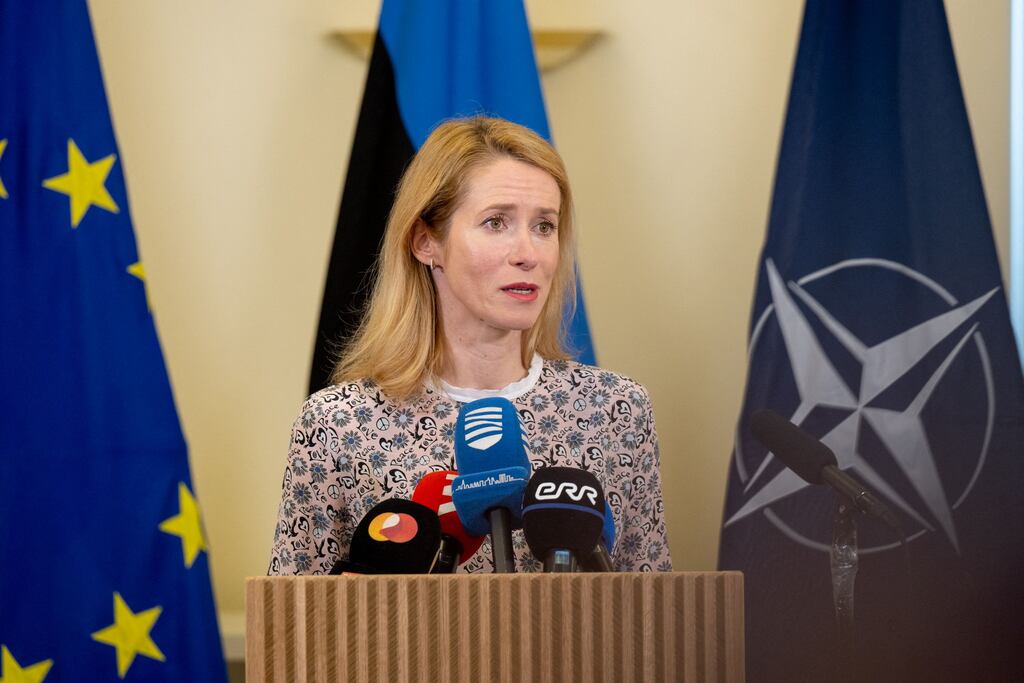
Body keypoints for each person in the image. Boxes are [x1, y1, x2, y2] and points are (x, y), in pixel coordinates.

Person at [268, 116, 671, 575]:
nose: (528, 253)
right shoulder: (338, 424)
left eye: (544, 226)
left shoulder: (616, 411)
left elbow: (654, 615)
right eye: (496, 222)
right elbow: (296, 625)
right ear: (425, 242)